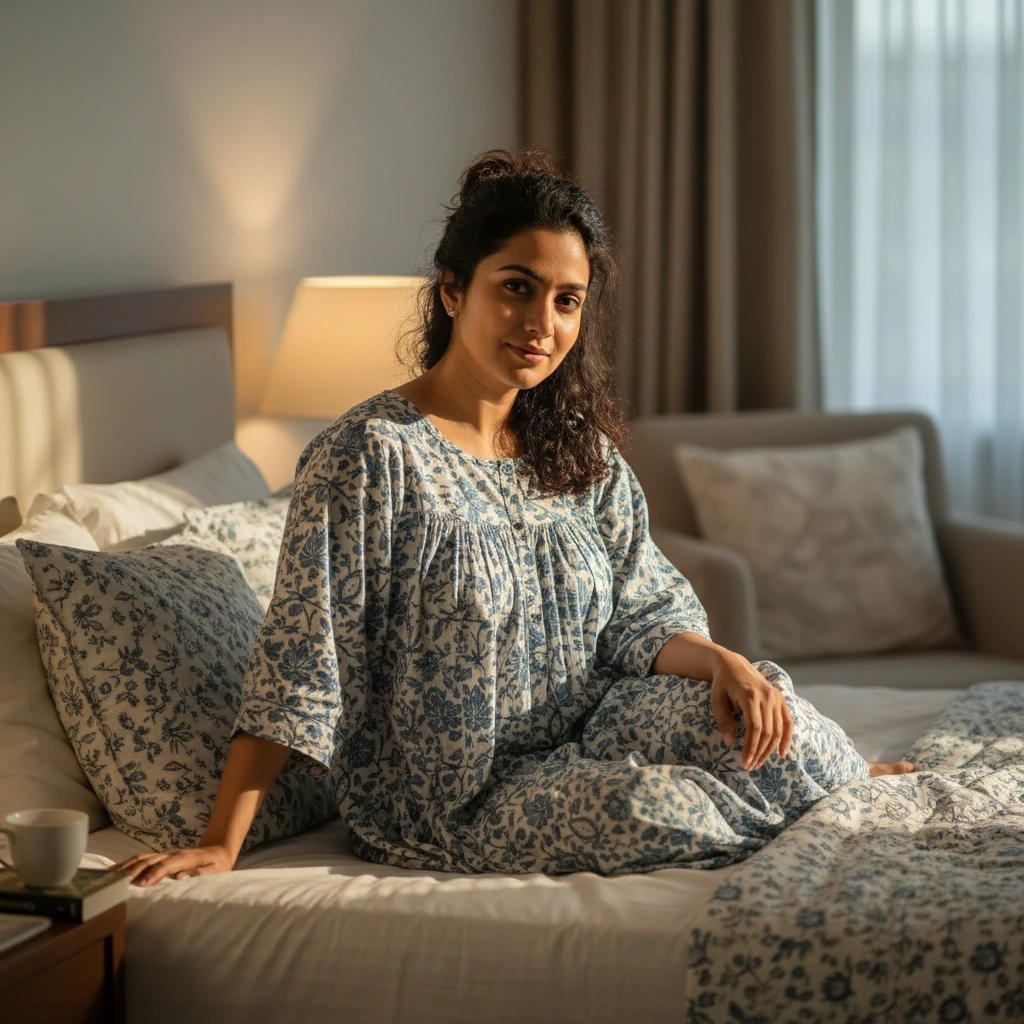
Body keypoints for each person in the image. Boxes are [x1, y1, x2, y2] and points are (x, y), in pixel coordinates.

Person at [118, 150, 914, 886]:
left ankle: (829, 780)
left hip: (599, 726)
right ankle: (820, 800)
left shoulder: (576, 450)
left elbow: (643, 613)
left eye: (567, 300)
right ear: (453, 288)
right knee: (661, 809)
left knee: (761, 703)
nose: (543, 323)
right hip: (461, 797)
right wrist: (224, 843)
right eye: (516, 286)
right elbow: (301, 659)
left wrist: (721, 662)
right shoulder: (369, 456)